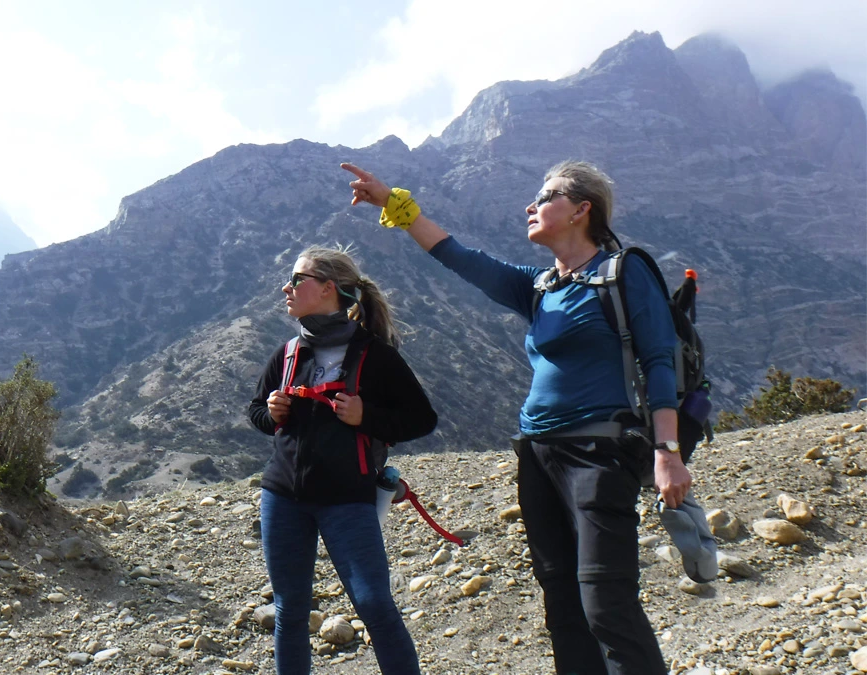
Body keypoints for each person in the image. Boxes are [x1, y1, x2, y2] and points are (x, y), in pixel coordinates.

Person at [340, 161, 690, 675]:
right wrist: (392, 200)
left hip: (599, 451)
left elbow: (659, 360)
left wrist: (668, 453)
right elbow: (459, 256)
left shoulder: (623, 271)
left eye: (545, 197)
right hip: (537, 454)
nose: (530, 206)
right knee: (562, 605)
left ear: (581, 210)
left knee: (606, 602)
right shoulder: (541, 286)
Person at [247, 245, 437, 675]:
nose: (286, 288)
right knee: (289, 610)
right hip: (282, 496)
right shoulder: (288, 352)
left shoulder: (377, 356)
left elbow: (422, 419)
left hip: (347, 499)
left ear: (328, 288)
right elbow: (257, 410)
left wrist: (365, 416)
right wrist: (271, 412)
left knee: (373, 604)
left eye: (297, 280)